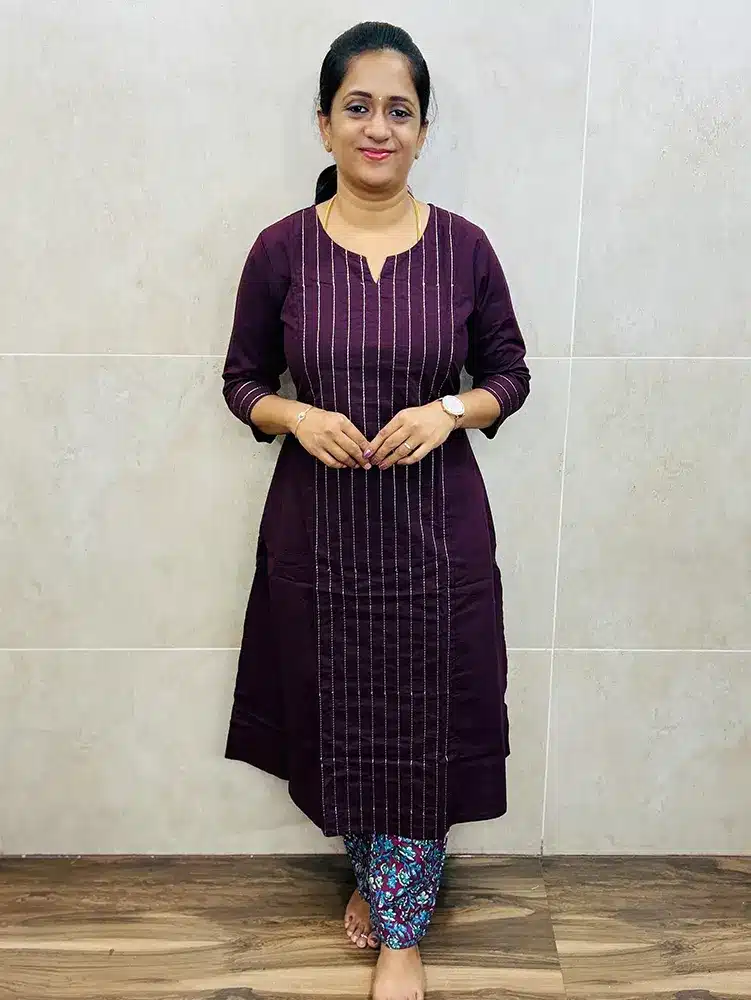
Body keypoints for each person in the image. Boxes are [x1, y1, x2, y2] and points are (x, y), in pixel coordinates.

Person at [221, 21, 531, 1000]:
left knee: (423, 716)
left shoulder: (464, 250)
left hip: (435, 537)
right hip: (319, 537)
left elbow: (509, 375)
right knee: (340, 709)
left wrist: (448, 412)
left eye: (399, 110)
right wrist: (296, 414)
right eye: (357, 107)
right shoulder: (280, 251)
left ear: (423, 130)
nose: (378, 127)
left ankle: (402, 934)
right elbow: (239, 383)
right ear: (324, 124)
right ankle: (382, 879)